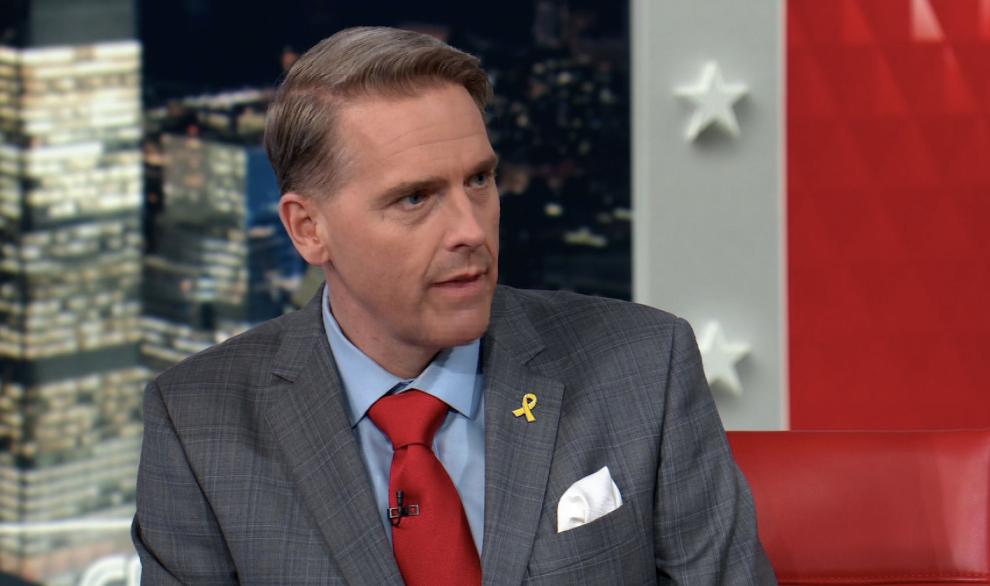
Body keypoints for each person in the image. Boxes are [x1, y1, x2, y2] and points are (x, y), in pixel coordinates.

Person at [132, 26, 775, 585]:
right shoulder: (199, 425)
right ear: (308, 229)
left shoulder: (643, 367)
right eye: (415, 198)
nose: (470, 229)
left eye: (479, 180)